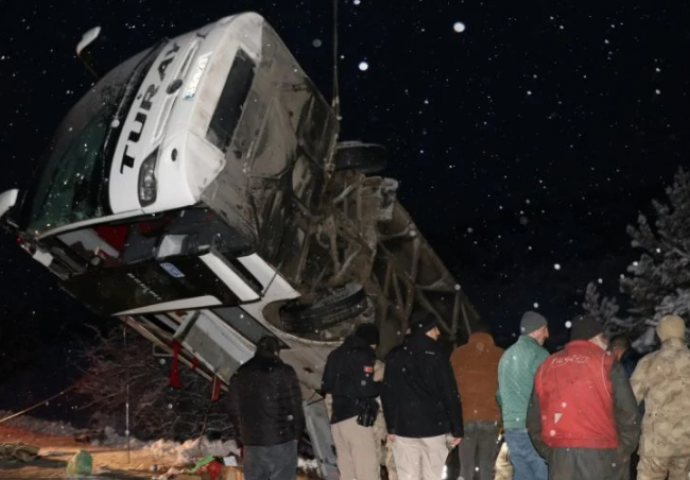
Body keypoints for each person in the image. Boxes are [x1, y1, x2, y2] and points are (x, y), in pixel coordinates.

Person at [526, 315, 641, 480]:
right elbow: (629, 414)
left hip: (561, 457)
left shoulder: (547, 365)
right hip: (602, 456)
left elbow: (534, 418)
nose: (606, 341)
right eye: (602, 336)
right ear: (593, 338)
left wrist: (550, 451)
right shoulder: (607, 364)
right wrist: (623, 449)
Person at [382, 311, 464, 480]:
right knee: (432, 476)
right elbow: (450, 394)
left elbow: (387, 393)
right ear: (427, 330)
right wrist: (457, 429)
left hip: (404, 428)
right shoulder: (438, 356)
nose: (439, 333)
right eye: (436, 329)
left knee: (408, 476)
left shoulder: (395, 355)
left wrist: (391, 426)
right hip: (434, 428)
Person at [226, 336, 304, 480]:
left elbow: (233, 409)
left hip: (252, 444)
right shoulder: (284, 371)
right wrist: (297, 435)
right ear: (276, 352)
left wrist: (242, 435)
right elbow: (295, 406)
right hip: (282, 442)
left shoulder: (240, 374)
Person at [630, 314, 690, 480]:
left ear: (660, 334)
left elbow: (630, 399)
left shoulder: (649, 362)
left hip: (656, 443)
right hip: (687, 443)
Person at [321, 323, 382, 480]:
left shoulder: (334, 355)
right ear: (373, 342)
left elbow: (326, 386)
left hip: (337, 422)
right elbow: (366, 389)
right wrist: (383, 385)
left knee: (348, 473)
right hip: (356, 421)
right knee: (367, 471)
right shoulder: (363, 354)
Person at [496, 311, 549, 480]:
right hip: (533, 429)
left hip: (512, 429)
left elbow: (499, 394)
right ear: (537, 329)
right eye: (545, 329)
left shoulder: (506, 356)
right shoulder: (540, 355)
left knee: (522, 475)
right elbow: (549, 393)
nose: (548, 334)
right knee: (543, 473)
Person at [450, 324, 504, 480]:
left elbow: (451, 389)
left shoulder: (458, 354)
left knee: (466, 466)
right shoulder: (500, 355)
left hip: (465, 417)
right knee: (487, 466)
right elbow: (504, 388)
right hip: (490, 417)